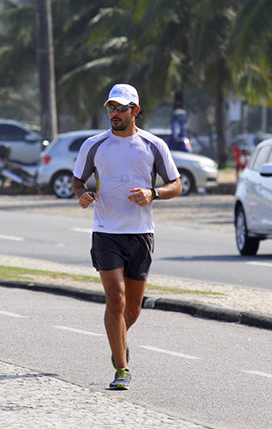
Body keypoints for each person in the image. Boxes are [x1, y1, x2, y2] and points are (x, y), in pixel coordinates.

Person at [71, 84, 182, 390]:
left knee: (132, 309)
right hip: (106, 232)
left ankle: (118, 343)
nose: (114, 114)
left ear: (135, 110)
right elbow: (77, 181)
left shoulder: (153, 144)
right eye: (110, 108)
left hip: (141, 233)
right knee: (116, 300)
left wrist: (153, 193)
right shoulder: (94, 145)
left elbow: (176, 184)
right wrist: (83, 195)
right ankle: (122, 368)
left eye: (121, 109)